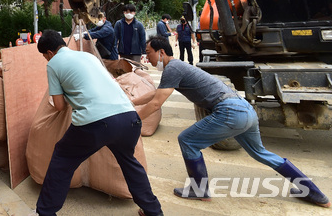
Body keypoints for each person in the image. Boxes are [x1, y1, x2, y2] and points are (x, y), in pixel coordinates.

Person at [135, 35, 330, 208]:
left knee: (187, 140)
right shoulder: (178, 68)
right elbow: (155, 94)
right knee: (261, 153)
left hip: (229, 111)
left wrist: (133, 121)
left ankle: (199, 190)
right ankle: (314, 192)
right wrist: (132, 102)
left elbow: (156, 104)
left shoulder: (173, 68)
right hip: (245, 109)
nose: (147, 58)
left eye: (148, 53)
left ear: (161, 52)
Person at [34, 29, 163, 216]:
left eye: (45, 56)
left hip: (96, 124)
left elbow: (60, 106)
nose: (46, 60)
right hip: (129, 118)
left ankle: (45, 212)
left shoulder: (53, 64)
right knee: (130, 164)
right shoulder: (88, 57)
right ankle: (154, 211)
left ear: (50, 53)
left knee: (62, 159)